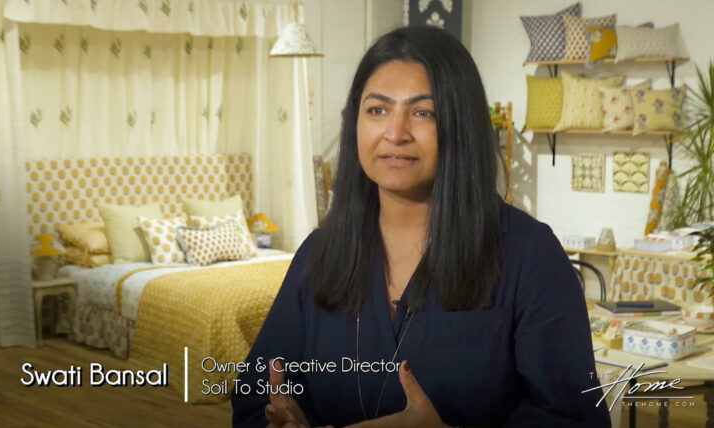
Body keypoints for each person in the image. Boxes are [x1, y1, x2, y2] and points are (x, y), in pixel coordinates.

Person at [231, 26, 611, 427]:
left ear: (459, 126)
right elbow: (256, 400)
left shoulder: (530, 257)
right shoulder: (319, 254)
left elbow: (577, 420)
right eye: (377, 110)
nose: (395, 133)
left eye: (422, 112)